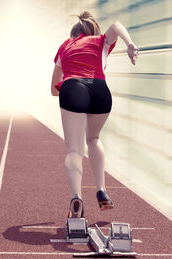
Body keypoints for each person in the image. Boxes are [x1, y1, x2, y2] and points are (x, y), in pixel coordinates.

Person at [50, 11, 138, 218]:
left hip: (73, 87)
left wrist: (69, 91)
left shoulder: (65, 46)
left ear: (74, 33)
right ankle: (102, 190)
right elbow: (116, 25)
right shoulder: (101, 41)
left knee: (74, 150)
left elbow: (53, 89)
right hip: (100, 90)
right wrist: (130, 44)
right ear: (93, 30)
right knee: (93, 138)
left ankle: (76, 197)